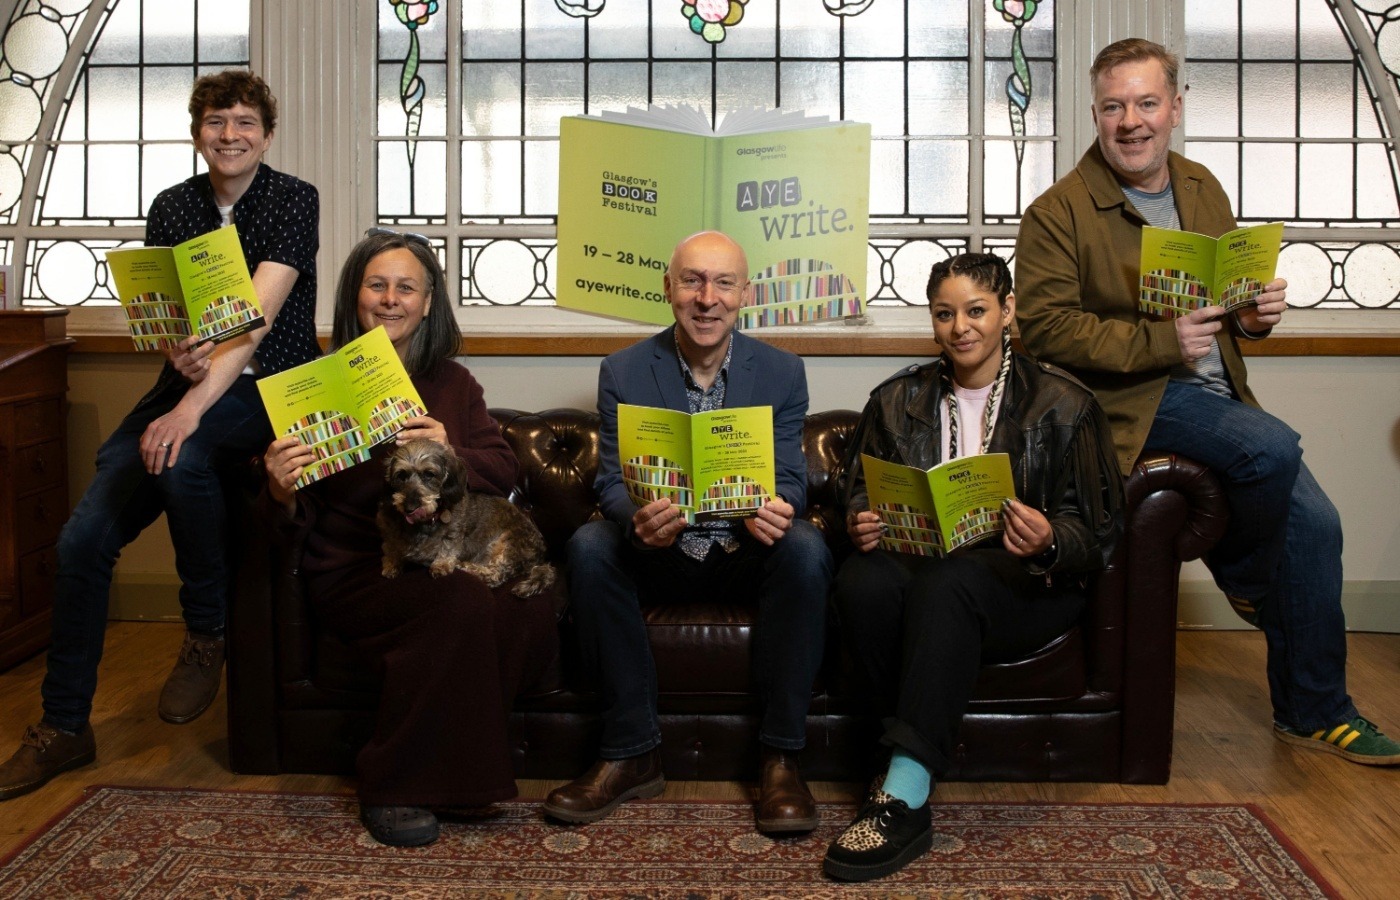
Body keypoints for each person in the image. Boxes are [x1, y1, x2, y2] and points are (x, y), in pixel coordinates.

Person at [1015, 37, 1400, 766]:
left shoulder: (1200, 187)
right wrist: (1163, 342)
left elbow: (1226, 301)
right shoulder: (1057, 212)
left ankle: (1315, 713)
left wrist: (1252, 316)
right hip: (1125, 402)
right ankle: (1250, 580)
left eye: (1147, 103)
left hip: (1217, 392)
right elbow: (1044, 331)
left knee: (1318, 522)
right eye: (1114, 106)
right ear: (1095, 114)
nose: (1131, 121)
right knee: (1273, 447)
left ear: (1175, 108)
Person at [0, 70, 320, 803]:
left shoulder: (292, 199)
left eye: (243, 121)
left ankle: (205, 630)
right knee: (83, 541)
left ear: (266, 133)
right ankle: (63, 727)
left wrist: (189, 412)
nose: (229, 134)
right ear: (197, 132)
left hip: (267, 388)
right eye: (215, 122)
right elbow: (172, 324)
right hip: (183, 389)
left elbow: (254, 321)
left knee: (186, 458)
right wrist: (174, 356)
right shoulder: (172, 208)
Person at [821, 253, 1122, 882]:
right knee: (862, 579)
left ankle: (901, 796)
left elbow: (1098, 532)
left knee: (952, 582)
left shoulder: (1066, 403)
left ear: (1007, 312)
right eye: (945, 313)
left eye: (977, 310)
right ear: (932, 323)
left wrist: (1047, 538)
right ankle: (902, 760)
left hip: (1028, 583)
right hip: (925, 567)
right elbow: (857, 492)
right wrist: (862, 521)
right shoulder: (896, 398)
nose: (961, 327)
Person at [261, 230, 559, 846]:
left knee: (528, 602)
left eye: (406, 287)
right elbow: (284, 515)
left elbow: (503, 471)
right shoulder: (313, 382)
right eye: (377, 285)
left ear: (428, 303)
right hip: (362, 568)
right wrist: (280, 488)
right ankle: (393, 783)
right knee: (460, 600)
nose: (390, 299)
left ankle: (459, 772)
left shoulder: (452, 382)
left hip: (447, 554)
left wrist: (451, 447)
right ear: (355, 296)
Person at [543, 231, 833, 833]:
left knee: (805, 544)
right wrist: (634, 519)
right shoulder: (622, 370)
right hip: (663, 549)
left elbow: (791, 478)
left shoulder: (782, 372)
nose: (708, 298)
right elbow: (611, 485)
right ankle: (630, 753)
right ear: (668, 288)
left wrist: (783, 507)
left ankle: (781, 758)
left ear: (744, 293)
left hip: (745, 549)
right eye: (693, 281)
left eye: (723, 283)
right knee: (590, 544)